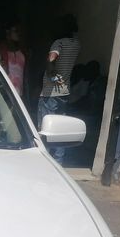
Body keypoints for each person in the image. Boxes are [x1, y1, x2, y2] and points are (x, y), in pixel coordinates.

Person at [38, 14, 81, 163]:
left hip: (51, 92)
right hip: (65, 91)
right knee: (60, 128)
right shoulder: (76, 44)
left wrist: (53, 75)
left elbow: (51, 59)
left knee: (46, 127)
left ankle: (45, 161)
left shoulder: (58, 43)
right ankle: (58, 161)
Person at [0, 21, 27, 98]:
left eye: (20, 31)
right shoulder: (0, 50)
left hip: (21, 94)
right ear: (8, 32)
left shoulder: (23, 51)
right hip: (6, 94)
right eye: (16, 31)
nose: (19, 33)